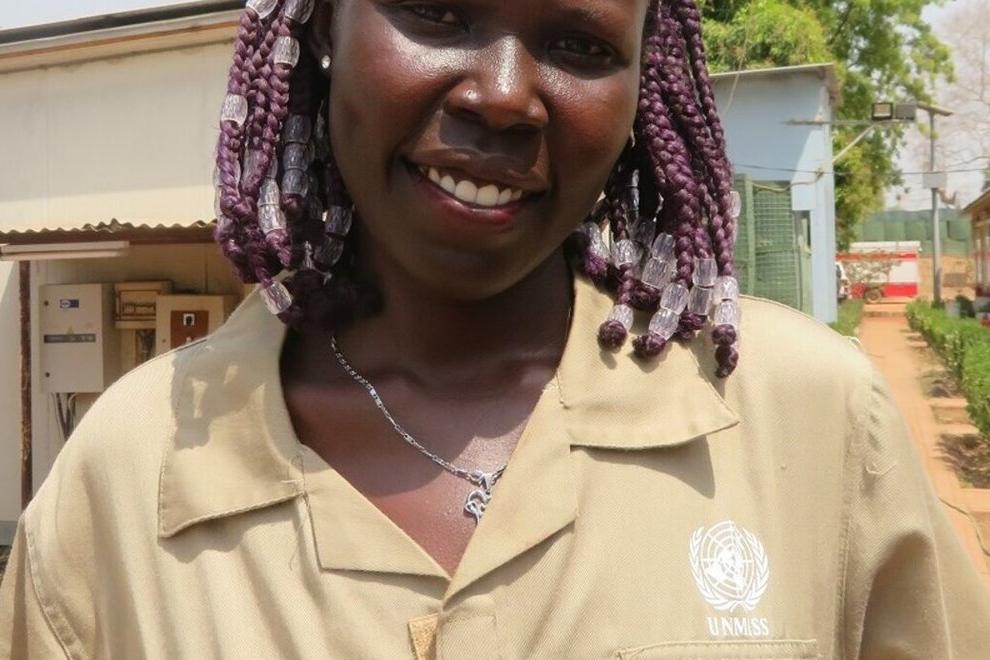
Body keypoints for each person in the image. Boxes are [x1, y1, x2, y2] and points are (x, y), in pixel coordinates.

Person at [2, 0, 989, 657]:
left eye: (581, 46)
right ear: (325, 23)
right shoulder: (127, 480)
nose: (505, 94)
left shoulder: (811, 423)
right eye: (436, 11)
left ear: (644, 86)